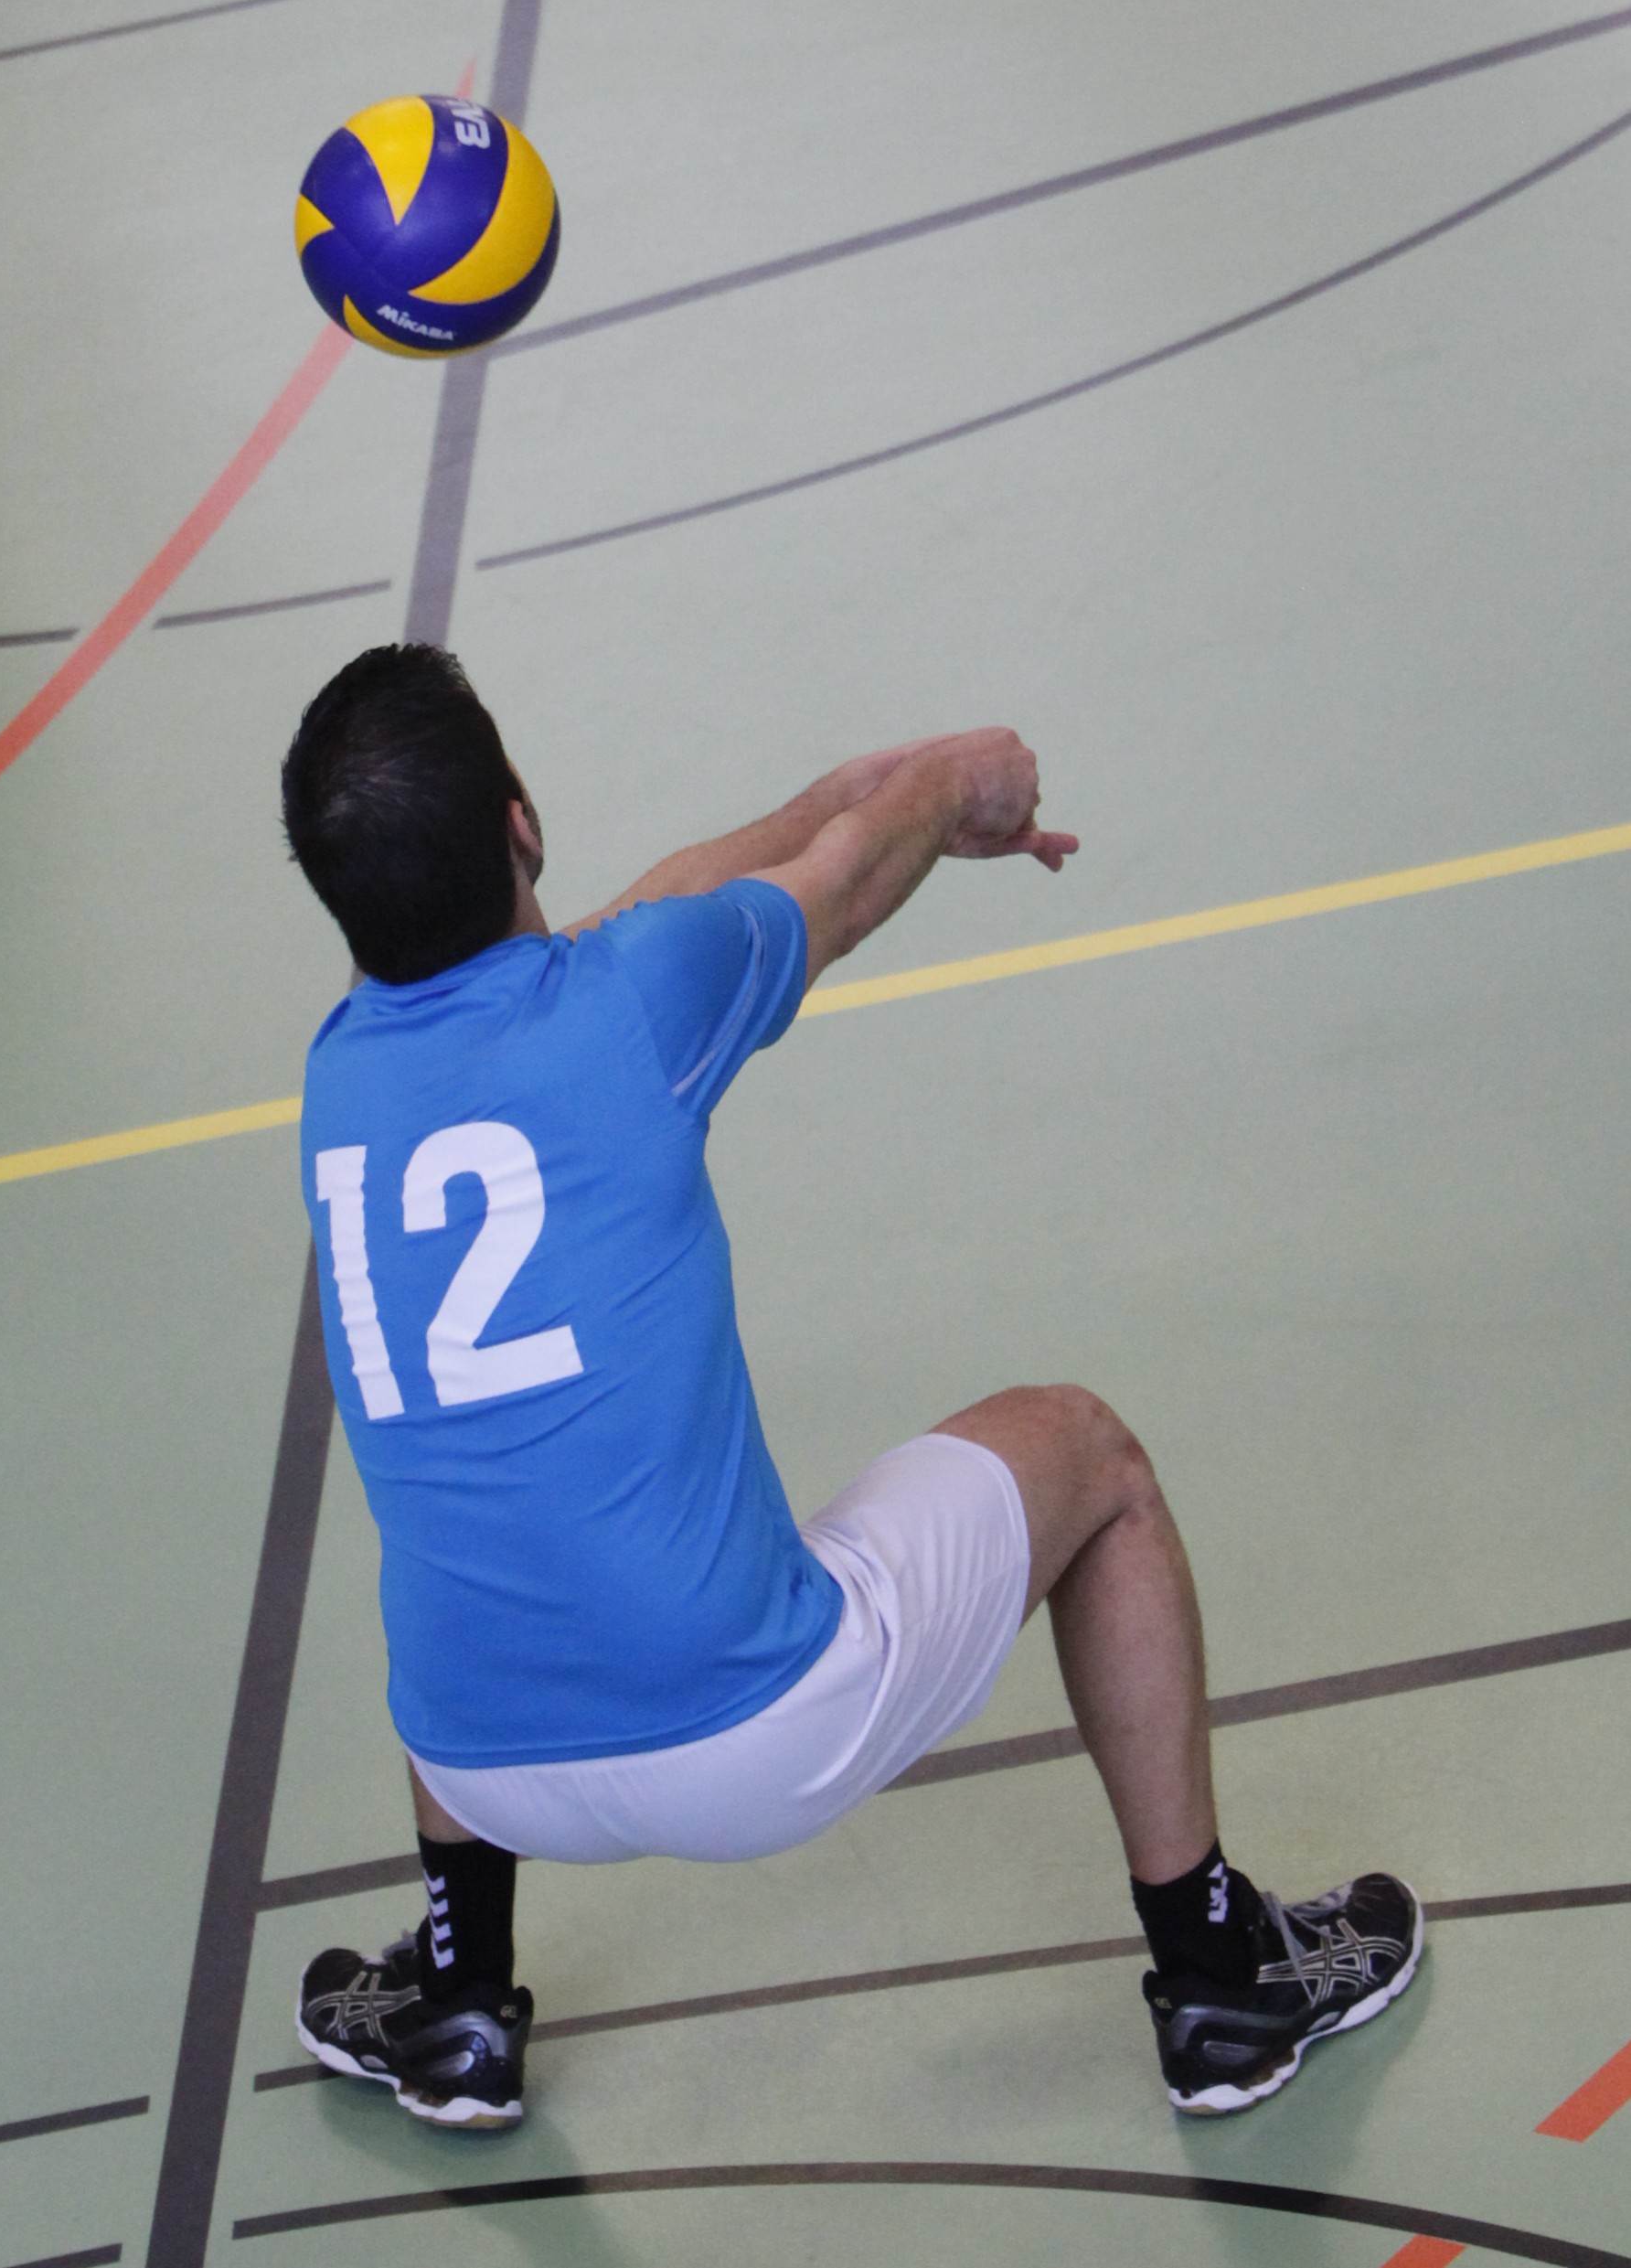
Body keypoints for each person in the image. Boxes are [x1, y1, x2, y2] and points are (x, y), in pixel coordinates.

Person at [279, 642, 1421, 2133]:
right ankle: (1219, 1979)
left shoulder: (340, 1076)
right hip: (748, 1739)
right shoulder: (634, 1008)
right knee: (1091, 1457)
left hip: (475, 1758)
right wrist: (953, 784)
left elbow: (642, 914)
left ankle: (458, 2000)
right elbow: (842, 888)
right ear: (524, 822)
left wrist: (842, 791)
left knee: (480, 1505)